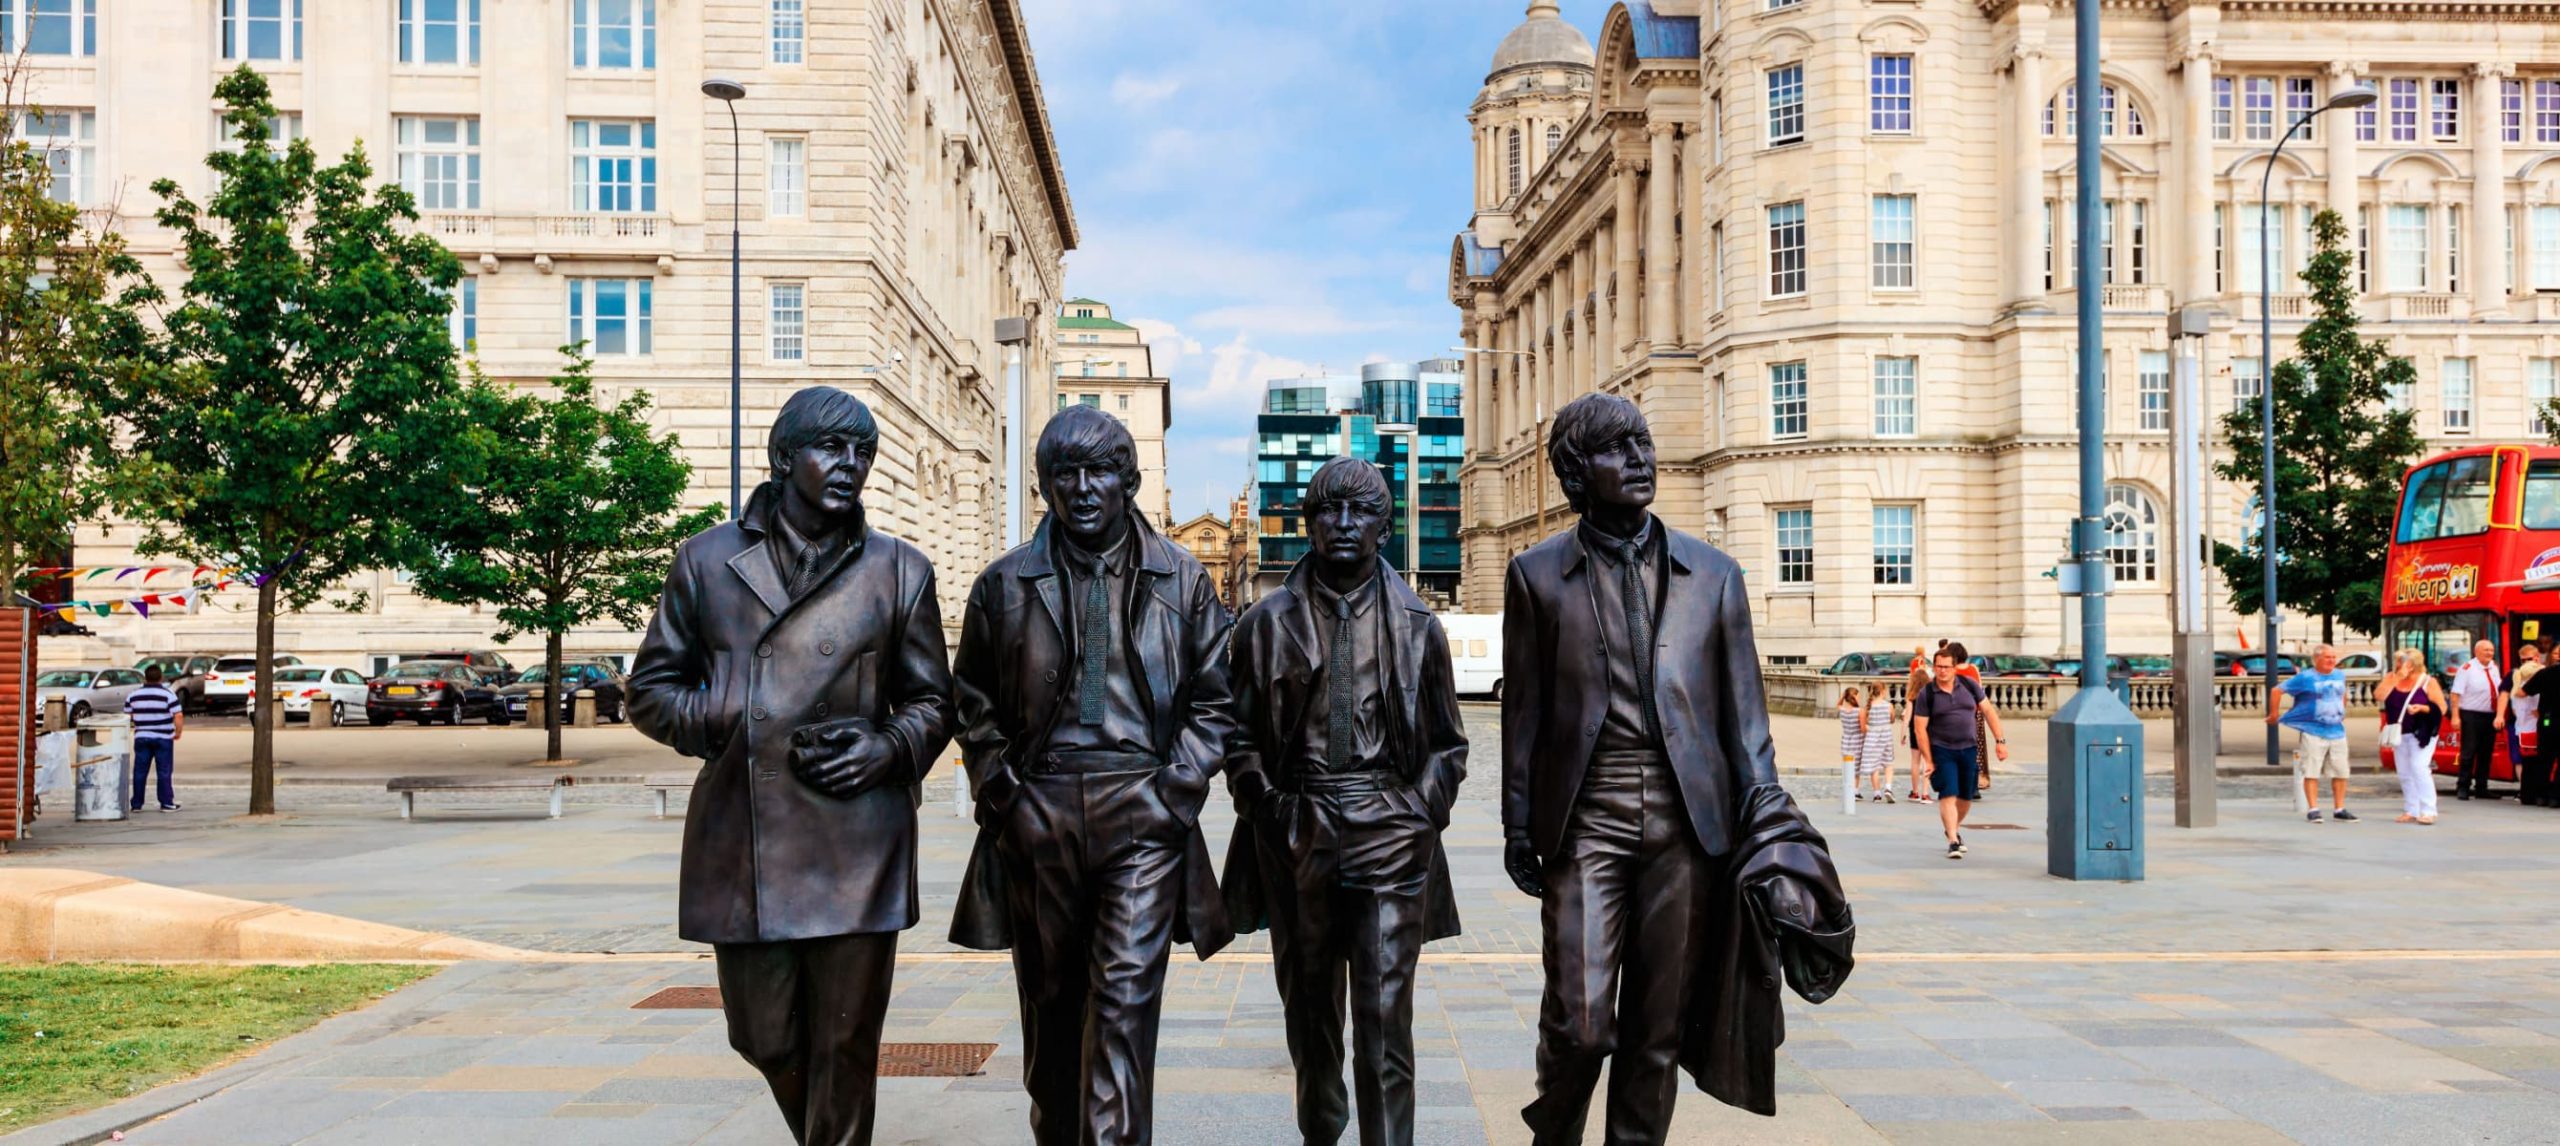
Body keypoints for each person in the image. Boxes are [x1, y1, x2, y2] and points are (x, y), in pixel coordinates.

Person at [1501, 393, 1849, 1140]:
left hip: (1690, 825)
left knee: (1656, 1032)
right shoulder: (1535, 575)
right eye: (1616, 449)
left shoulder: (1715, 576)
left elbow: (1747, 725)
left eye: (1643, 443)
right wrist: (1516, 824)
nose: (1639, 459)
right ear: (1575, 472)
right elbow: (1523, 714)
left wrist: (1771, 834)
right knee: (1582, 1025)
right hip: (1585, 816)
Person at [627, 387, 957, 1146]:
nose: (852, 466)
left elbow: (935, 701)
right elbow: (648, 691)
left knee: (844, 1046)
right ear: (783, 458)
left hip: (859, 839)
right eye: (832, 449)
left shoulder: (899, 570)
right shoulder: (707, 561)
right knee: (763, 1036)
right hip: (745, 840)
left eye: (863, 453)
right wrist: (732, 713)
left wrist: (889, 746)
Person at [949, 404, 1236, 1146]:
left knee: (1122, 1015)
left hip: (1142, 810)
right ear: (1043, 484)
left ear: (1130, 480)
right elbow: (971, 700)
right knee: (1052, 1023)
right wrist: (1002, 788)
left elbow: (1218, 699)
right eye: (1064, 473)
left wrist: (1178, 788)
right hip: (1039, 810)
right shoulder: (1004, 584)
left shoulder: (1183, 579)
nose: (1083, 488)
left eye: (1101, 470)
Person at [1219, 457, 1468, 1146]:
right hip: (1300, 828)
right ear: (1309, 524)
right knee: (1312, 1025)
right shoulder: (1265, 624)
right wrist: (1273, 810)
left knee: (1386, 1024)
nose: (1345, 524)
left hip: (1389, 826)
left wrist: (1417, 815)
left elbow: (1449, 745)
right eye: (1330, 510)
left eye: (1361, 512)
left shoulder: (1420, 626)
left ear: (1385, 528)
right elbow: (1235, 741)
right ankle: (1321, 1132)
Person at [1912, 649, 2009, 858]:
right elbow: (1920, 729)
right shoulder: (1927, 693)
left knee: (1965, 796)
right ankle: (1953, 841)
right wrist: (1928, 759)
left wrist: (2000, 741)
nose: (1942, 671)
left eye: (1946, 667)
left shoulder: (1969, 686)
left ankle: (1952, 827)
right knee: (1948, 793)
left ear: (1955, 667)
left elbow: (1989, 711)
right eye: (1938, 666)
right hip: (1942, 749)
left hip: (1968, 748)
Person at [2268, 644, 2357, 823]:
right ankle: (2313, 808)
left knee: (2341, 771)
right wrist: (2274, 714)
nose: (2332, 660)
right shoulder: (2305, 677)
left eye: (2333, 657)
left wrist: (2341, 711)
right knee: (2311, 769)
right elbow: (2276, 690)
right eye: (2327, 657)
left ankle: (2339, 808)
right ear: (2316, 659)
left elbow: (2342, 694)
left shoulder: (2340, 675)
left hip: (2337, 730)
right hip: (2313, 730)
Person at [2380, 649, 2444, 825]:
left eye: (2403, 661)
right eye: (2398, 661)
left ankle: (2429, 810)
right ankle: (2411, 809)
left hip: (2422, 733)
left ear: (2414, 663)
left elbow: (2441, 708)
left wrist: (2422, 708)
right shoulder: (2391, 678)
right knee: (2404, 772)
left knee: (2419, 767)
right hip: (2400, 733)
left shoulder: (2427, 681)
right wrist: (2396, 678)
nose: (2400, 665)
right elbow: (2379, 695)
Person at [2449, 639, 2503, 801]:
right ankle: (2463, 786)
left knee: (2486, 753)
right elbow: (2455, 693)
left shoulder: (2493, 667)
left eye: (2491, 650)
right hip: (2471, 715)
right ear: (2476, 651)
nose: (2489, 653)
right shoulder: (2467, 669)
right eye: (2486, 650)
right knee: (2468, 752)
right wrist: (2455, 715)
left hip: (2489, 715)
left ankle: (2482, 787)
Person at [126, 664, 183, 812]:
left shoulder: (133, 695)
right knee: (164, 771)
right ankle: (166, 803)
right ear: (160, 677)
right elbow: (178, 715)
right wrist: (178, 732)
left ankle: (136, 804)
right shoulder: (168, 694)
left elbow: (128, 716)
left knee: (139, 771)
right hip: (163, 737)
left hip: (142, 736)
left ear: (145, 677)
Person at [2511, 644, 2546, 807]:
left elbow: (2514, 709)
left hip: (2523, 730)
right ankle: (2536, 794)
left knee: (2527, 763)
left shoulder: (2517, 685)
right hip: (2534, 730)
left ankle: (2526, 794)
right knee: (2538, 763)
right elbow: (2539, 710)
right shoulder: (2532, 685)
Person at [1860, 684, 1898, 804]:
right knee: (1888, 764)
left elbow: (1865, 722)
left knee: (1874, 767)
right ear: (1883, 691)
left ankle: (1877, 794)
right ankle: (1888, 788)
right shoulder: (1888, 706)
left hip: (1872, 737)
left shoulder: (1869, 707)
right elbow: (1892, 719)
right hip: (1886, 736)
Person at [1904, 649, 1932, 802]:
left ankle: (1915, 791)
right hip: (1928, 729)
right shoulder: (1930, 695)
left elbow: (1907, 716)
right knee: (1927, 760)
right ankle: (1925, 793)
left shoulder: (1911, 696)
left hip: (1914, 729)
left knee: (1915, 761)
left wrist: (1902, 733)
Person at [1836, 685, 1866, 800]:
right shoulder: (1859, 711)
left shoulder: (1843, 710)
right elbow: (1863, 728)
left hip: (1846, 740)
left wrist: (1842, 696)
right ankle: (1855, 790)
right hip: (1857, 740)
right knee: (1856, 768)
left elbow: (1838, 705)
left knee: (1847, 766)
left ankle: (1847, 788)